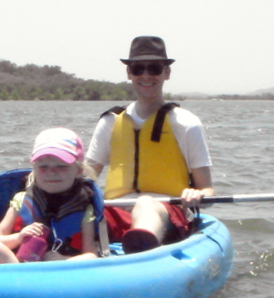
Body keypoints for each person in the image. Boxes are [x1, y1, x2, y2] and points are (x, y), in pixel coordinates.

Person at [85, 35, 215, 254]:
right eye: (138, 69)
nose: (146, 75)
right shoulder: (110, 121)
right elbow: (88, 176)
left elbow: (207, 189)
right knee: (82, 210)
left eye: (154, 68)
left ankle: (140, 248)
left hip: (167, 212)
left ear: (166, 73)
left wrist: (197, 195)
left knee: (146, 203)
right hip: (116, 210)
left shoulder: (185, 123)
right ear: (129, 73)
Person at [0, 128, 100, 265]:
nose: (52, 172)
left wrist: (61, 261)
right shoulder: (21, 199)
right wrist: (19, 237)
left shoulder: (84, 207)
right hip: (19, 261)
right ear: (34, 170)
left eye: (61, 166)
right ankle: (19, 271)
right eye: (43, 167)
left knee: (90, 258)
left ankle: (16, 274)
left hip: (59, 267)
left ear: (78, 171)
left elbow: (90, 253)